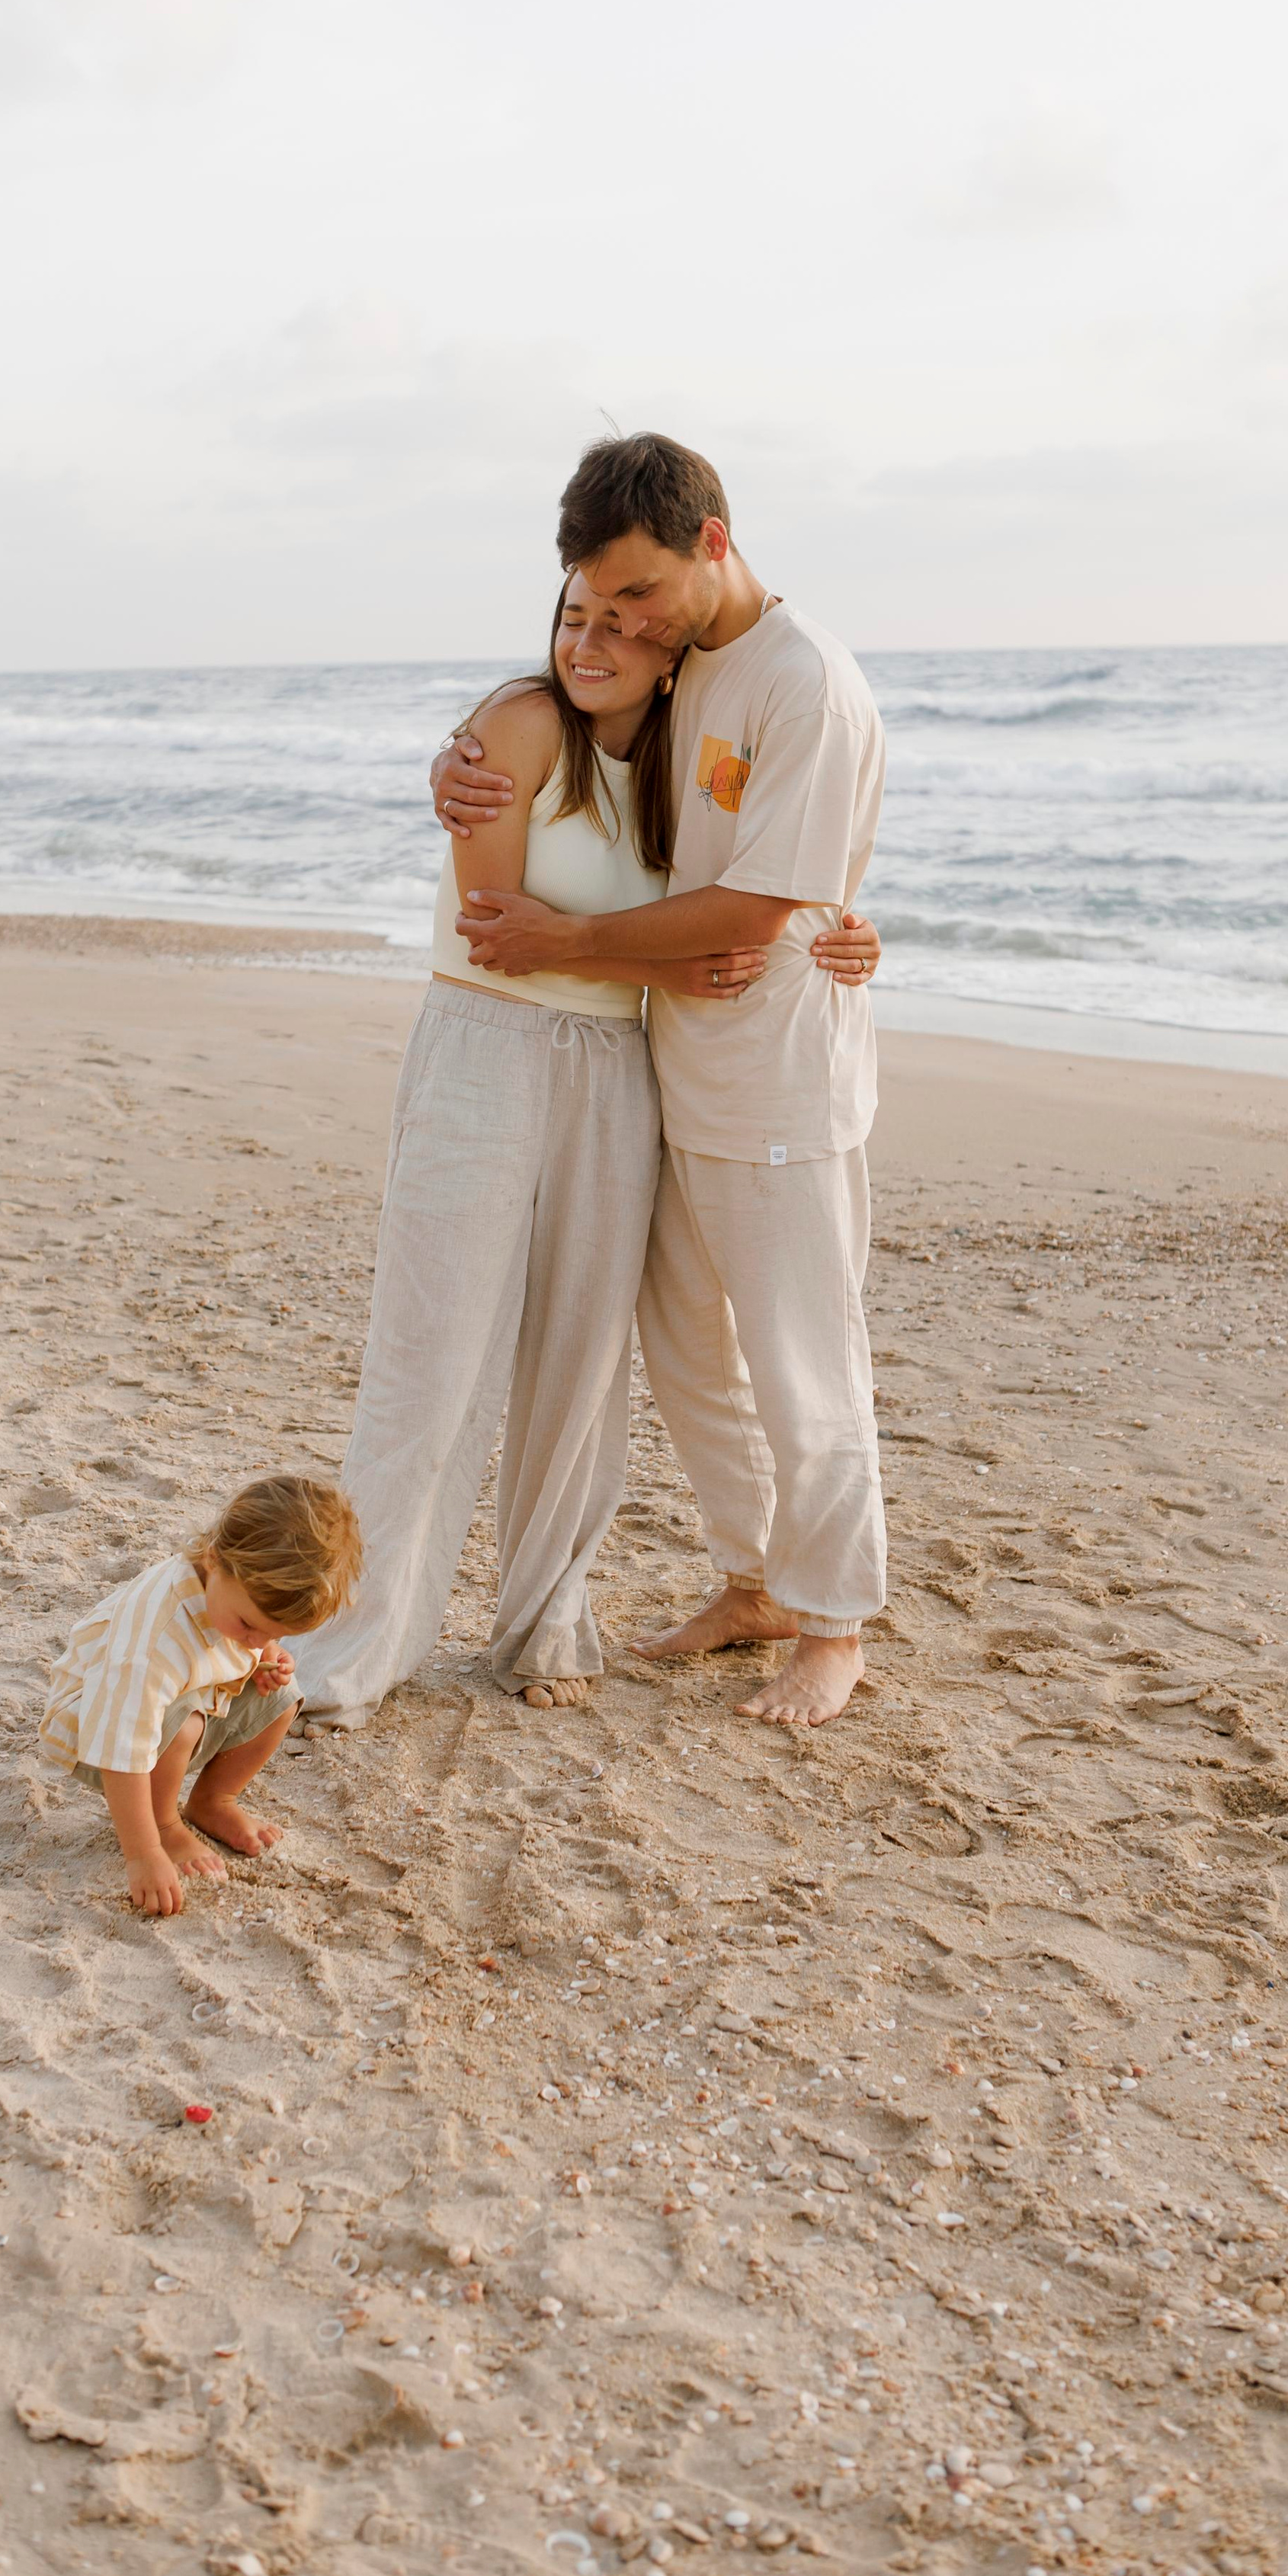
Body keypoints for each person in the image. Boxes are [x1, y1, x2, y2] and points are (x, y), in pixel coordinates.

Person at [292, 577, 878, 1730]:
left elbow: (753, 887)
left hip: (621, 1070)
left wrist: (838, 934)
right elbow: (498, 929)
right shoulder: (514, 725)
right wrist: (666, 966)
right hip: (488, 1056)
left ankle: (545, 1620)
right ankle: (358, 1641)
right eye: (572, 617)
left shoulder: (684, 751)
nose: (589, 640)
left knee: (583, 1363)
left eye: (620, 619)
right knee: (434, 1354)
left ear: (671, 649)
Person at [433, 432, 888, 1728]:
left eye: (640, 594)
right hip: (668, 1063)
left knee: (805, 1358)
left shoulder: (809, 685)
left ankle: (836, 1621)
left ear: (715, 542)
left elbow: (760, 896)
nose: (623, 621)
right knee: (688, 1352)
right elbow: (579, 742)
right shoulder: (690, 663)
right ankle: (755, 1580)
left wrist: (570, 942)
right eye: (599, 597)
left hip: (780, 1077)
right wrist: (459, 762)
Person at [40, 1472, 360, 1916]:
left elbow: (247, 1643)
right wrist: (143, 1853)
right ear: (216, 1559)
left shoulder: (230, 1596)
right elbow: (120, 1745)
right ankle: (164, 1822)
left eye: (277, 1632)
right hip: (94, 1730)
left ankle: (212, 1801)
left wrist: (266, 1655)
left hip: (178, 1702)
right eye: (250, 1626)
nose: (254, 1641)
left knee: (283, 1699)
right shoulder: (155, 1638)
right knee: (187, 1722)